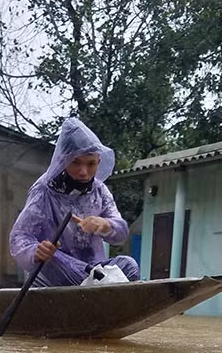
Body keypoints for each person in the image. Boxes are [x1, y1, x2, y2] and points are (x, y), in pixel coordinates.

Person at [9, 117, 140, 287]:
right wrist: (36, 251)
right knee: (53, 259)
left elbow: (121, 232)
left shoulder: (99, 190)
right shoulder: (44, 191)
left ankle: (96, 288)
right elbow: (19, 236)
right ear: (63, 160)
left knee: (129, 265)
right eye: (76, 162)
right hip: (56, 274)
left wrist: (106, 225)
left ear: (98, 161)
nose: (84, 172)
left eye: (91, 164)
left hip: (94, 272)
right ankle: (93, 287)